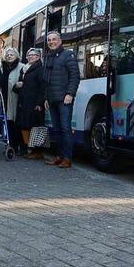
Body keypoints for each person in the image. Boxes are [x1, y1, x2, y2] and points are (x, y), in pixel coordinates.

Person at [44, 31, 80, 168]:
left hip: (64, 99)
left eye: (54, 39)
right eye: (49, 40)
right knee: (56, 129)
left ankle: (67, 158)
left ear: (60, 41)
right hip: (52, 99)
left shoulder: (68, 55)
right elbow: (46, 80)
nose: (51, 42)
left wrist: (70, 94)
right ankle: (58, 156)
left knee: (65, 128)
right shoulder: (48, 57)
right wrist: (46, 98)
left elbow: (75, 76)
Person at [13, 48, 45, 159]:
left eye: (33, 55)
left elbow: (43, 87)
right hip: (23, 102)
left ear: (38, 57)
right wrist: (17, 86)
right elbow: (18, 87)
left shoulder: (40, 69)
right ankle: (27, 149)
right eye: (28, 55)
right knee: (24, 126)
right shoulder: (24, 69)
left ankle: (37, 151)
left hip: (34, 103)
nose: (30, 57)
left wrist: (39, 103)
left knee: (35, 128)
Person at [0, 47, 23, 154]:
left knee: (17, 123)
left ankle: (19, 146)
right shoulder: (2, 67)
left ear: (17, 56)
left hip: (17, 99)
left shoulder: (22, 67)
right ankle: (11, 146)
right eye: (7, 55)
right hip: (5, 98)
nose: (9, 56)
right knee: (8, 122)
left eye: (12, 54)